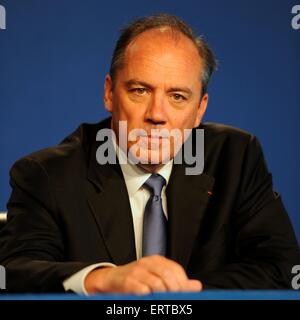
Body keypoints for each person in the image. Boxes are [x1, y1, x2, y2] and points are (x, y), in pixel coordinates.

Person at [0, 14, 299, 294]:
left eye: (177, 97)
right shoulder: (47, 175)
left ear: (200, 109)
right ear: (109, 93)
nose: (157, 114)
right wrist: (100, 278)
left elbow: (282, 268)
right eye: (140, 90)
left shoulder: (236, 158)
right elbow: (12, 271)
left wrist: (175, 301)